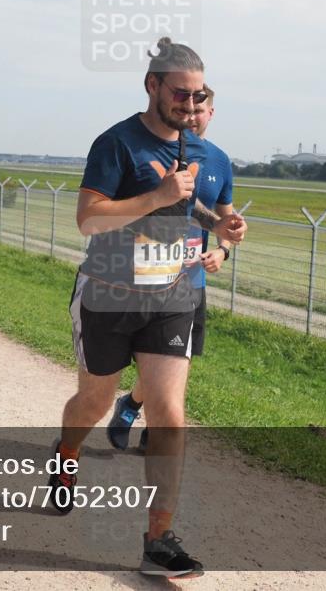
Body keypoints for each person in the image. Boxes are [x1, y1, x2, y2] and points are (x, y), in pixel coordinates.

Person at [48, 38, 245, 579]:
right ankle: (67, 455)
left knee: (169, 411)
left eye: (197, 94)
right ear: (152, 85)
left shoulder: (214, 157)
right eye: (179, 92)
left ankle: (158, 539)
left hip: (173, 297)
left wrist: (225, 241)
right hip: (108, 296)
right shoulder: (117, 144)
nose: (188, 102)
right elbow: (89, 220)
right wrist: (155, 198)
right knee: (93, 403)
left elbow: (217, 217)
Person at [107, 83, 234, 452]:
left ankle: (146, 419)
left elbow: (228, 220)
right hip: (143, 275)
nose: (192, 116)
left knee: (177, 359)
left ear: (210, 114)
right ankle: (131, 403)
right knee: (154, 363)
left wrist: (223, 250)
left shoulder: (221, 161)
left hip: (189, 282)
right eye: (187, 108)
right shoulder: (155, 152)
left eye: (200, 109)